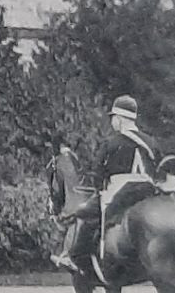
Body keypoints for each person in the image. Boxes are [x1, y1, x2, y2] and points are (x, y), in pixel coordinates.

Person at [52, 95, 158, 271]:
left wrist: (99, 187)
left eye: (114, 118)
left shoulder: (111, 143)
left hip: (121, 190)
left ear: (121, 119)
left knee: (85, 214)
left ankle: (74, 256)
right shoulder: (151, 141)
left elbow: (98, 174)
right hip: (148, 190)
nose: (113, 122)